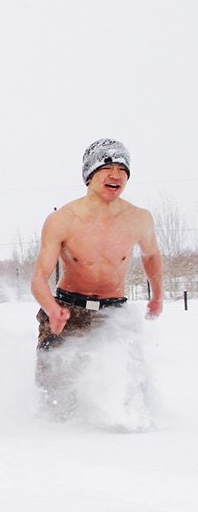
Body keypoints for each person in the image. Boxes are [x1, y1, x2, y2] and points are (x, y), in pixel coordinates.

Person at [31, 138, 163, 418]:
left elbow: (151, 255)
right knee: (55, 393)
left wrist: (158, 295)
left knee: (130, 387)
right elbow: (39, 278)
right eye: (107, 168)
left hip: (115, 312)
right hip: (69, 309)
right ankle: (55, 431)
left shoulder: (139, 218)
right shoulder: (63, 219)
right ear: (89, 175)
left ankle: (133, 426)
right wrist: (52, 309)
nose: (116, 175)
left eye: (122, 169)